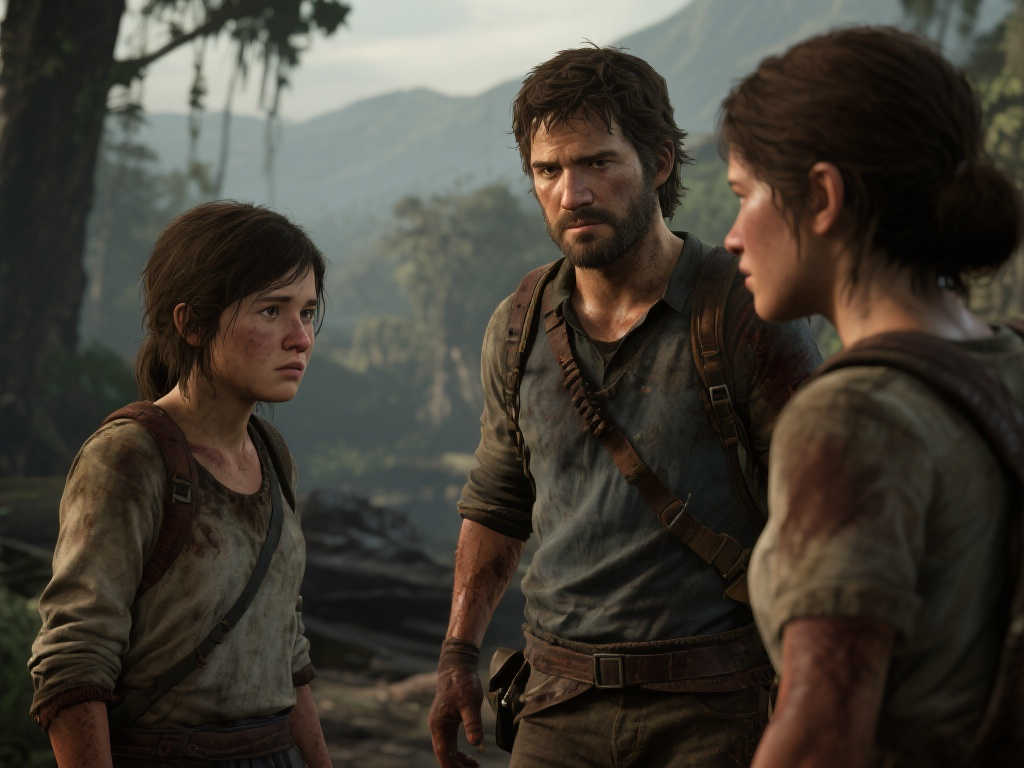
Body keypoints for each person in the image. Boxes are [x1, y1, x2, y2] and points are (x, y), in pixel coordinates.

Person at [427, 46, 822, 768]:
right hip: (556, 704)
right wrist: (458, 653)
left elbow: (818, 514)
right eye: (548, 171)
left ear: (660, 162)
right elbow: (498, 499)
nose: (572, 192)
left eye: (598, 163)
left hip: (716, 704)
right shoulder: (518, 325)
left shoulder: (743, 312)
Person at [718, 26, 1024, 767]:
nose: (730, 237)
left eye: (745, 195)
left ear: (823, 197)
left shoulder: (853, 416)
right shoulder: (1012, 361)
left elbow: (821, 738)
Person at [28, 201, 333, 768]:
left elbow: (284, 648)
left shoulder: (271, 454)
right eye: (272, 311)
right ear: (192, 324)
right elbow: (74, 662)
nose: (300, 338)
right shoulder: (130, 457)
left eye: (308, 312)